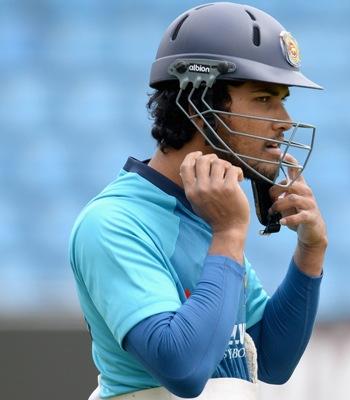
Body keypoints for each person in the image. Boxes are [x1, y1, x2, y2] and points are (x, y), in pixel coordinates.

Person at [69, 3, 327, 399]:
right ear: (196, 106)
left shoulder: (206, 211)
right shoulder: (112, 222)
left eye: (283, 99)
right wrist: (227, 234)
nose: (285, 120)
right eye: (263, 99)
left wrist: (310, 252)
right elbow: (184, 370)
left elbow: (272, 361)